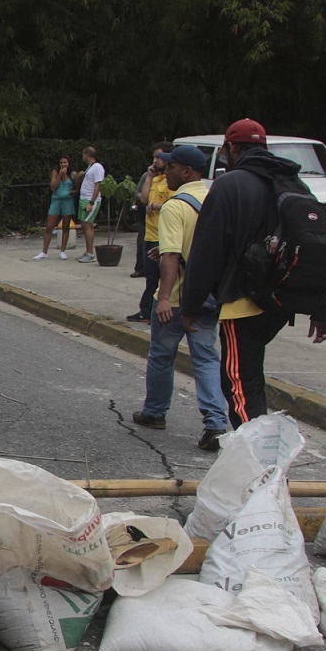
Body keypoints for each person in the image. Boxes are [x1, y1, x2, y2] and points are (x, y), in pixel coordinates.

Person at [180, 118, 326, 427]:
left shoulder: (229, 185)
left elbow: (207, 251)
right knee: (249, 376)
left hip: (243, 300)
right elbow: (318, 246)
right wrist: (322, 310)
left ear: (231, 148)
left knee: (238, 383)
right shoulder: (293, 183)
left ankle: (257, 462)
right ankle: (258, 455)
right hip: (280, 301)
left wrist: (190, 305)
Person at [133, 146, 228, 451]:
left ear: (186, 171)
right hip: (209, 298)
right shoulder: (216, 201)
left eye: (171, 167)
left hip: (176, 300)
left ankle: (155, 412)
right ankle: (215, 423)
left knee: (162, 356)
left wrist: (161, 299)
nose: (165, 171)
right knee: (206, 359)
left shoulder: (175, 207)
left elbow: (172, 255)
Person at [127, 145, 173, 321]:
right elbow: (144, 199)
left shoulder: (171, 181)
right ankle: (147, 311)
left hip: (162, 236)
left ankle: (151, 311)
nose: (155, 161)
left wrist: (154, 206)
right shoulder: (153, 178)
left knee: (159, 278)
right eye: (154, 157)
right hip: (149, 234)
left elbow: (174, 204)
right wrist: (149, 177)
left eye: (159, 157)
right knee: (150, 277)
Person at [33, 150, 75, 260]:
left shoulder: (72, 174)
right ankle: (44, 252)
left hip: (67, 201)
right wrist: (60, 176)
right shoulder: (55, 172)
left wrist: (70, 192)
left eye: (65, 162)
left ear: (68, 163)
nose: (63, 164)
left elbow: (77, 188)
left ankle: (63, 250)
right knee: (49, 226)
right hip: (56, 200)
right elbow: (52, 187)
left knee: (66, 226)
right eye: (61, 163)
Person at [74, 146, 106, 262]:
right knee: (85, 225)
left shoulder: (97, 167)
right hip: (84, 198)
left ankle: (90, 253)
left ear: (87, 154)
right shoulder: (90, 167)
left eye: (83, 154)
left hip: (90, 200)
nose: (82, 157)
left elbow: (98, 185)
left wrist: (91, 202)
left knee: (87, 226)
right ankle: (88, 251)